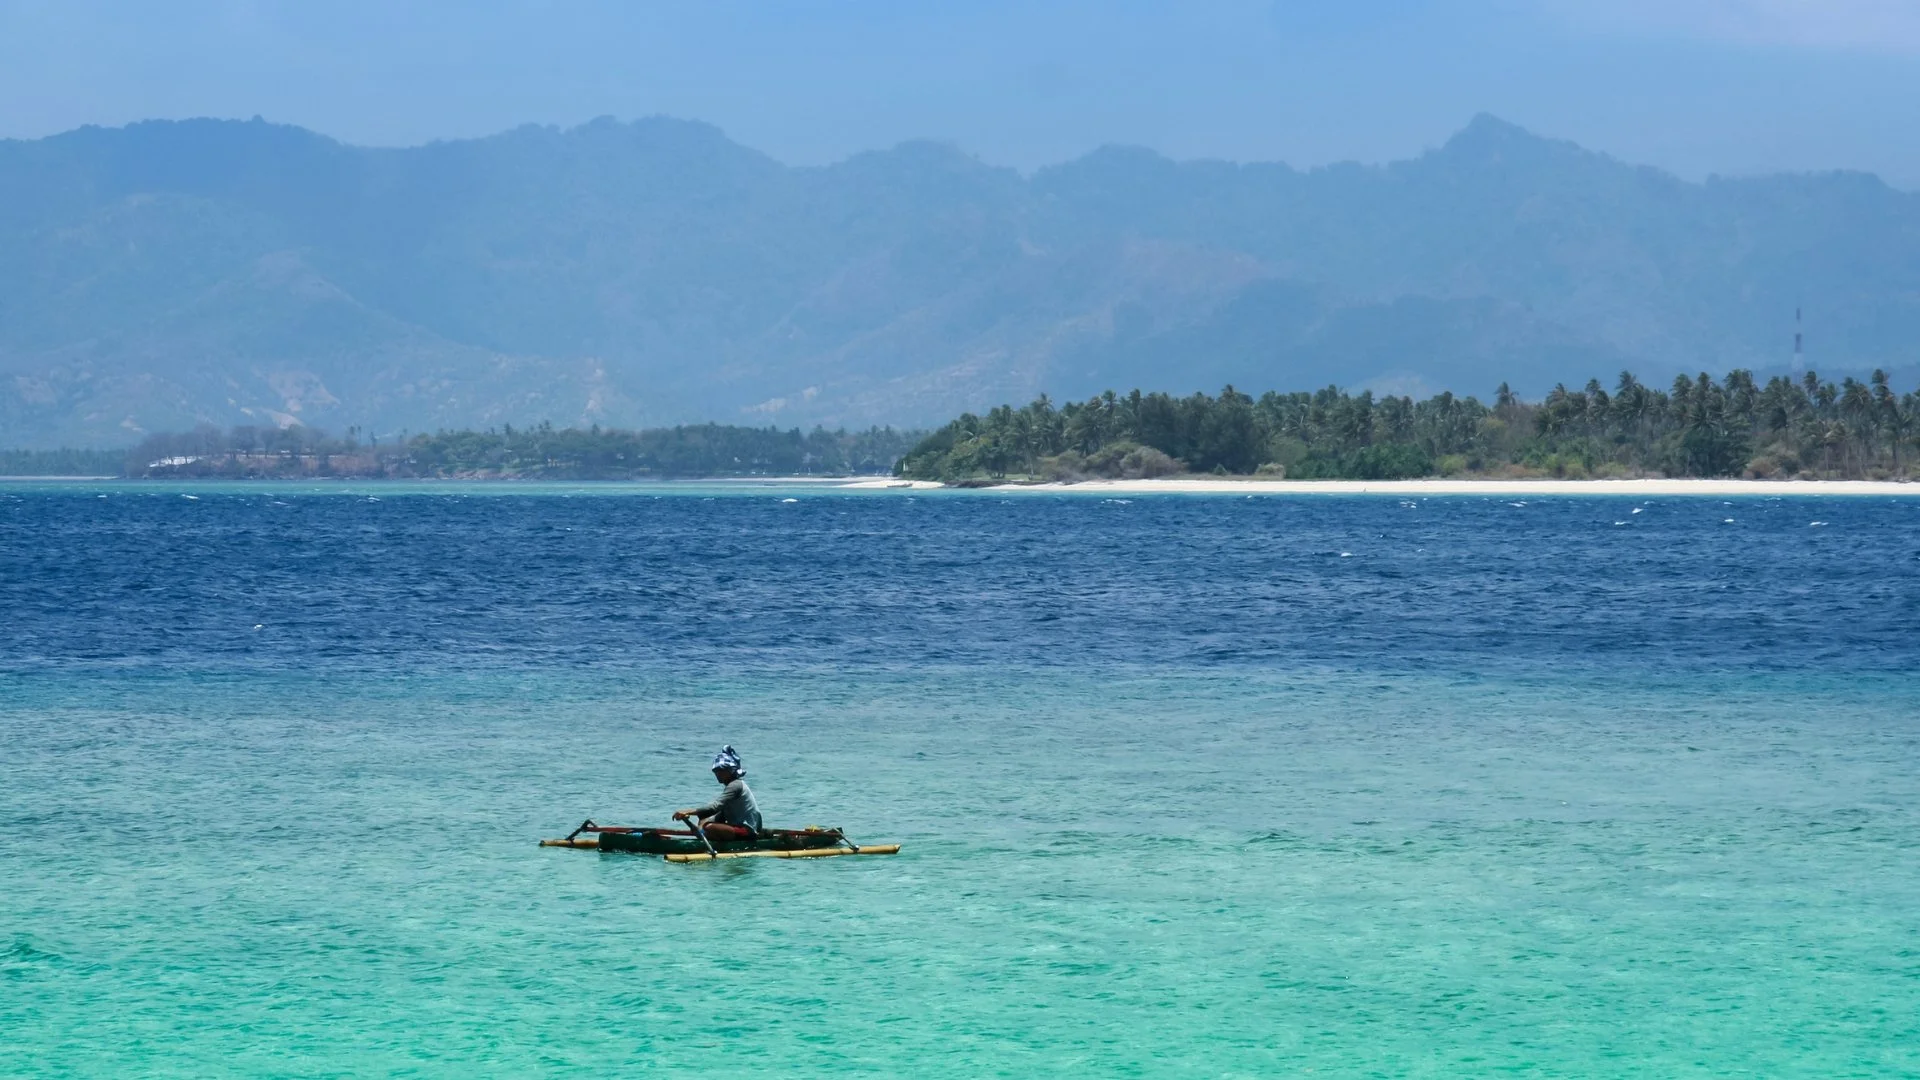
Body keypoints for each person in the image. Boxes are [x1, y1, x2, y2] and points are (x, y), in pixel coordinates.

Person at [673, 745, 763, 840]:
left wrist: (687, 812)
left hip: (747, 831)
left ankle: (704, 835)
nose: (717, 774)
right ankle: (703, 835)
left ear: (730, 770)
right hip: (736, 827)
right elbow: (721, 814)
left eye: (721, 770)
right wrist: (702, 821)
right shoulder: (730, 787)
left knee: (709, 827)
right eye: (715, 771)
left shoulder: (735, 785)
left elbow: (715, 807)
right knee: (704, 819)